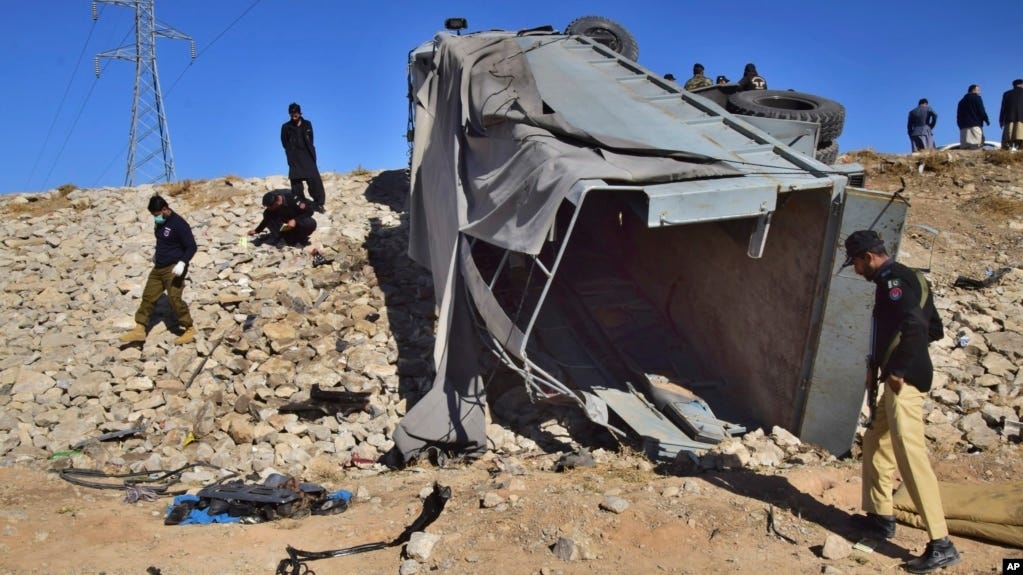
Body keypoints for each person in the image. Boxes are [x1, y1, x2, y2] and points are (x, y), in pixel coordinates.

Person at [842, 230, 959, 574]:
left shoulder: (892, 282)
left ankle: (941, 543)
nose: (856, 270)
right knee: (877, 443)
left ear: (868, 256)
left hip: (903, 381)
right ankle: (881, 517)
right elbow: (934, 328)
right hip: (897, 375)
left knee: (910, 457)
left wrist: (899, 368)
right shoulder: (912, 277)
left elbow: (916, 325)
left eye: (856, 263)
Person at [119, 195, 198, 345]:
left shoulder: (179, 224)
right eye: (153, 215)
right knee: (148, 296)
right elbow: (163, 242)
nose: (156, 218)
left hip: (173, 268)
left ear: (165, 209)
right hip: (159, 267)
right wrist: (156, 256)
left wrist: (182, 262)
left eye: (157, 215)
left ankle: (189, 328)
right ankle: (140, 329)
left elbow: (191, 246)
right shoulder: (160, 223)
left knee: (174, 298)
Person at [281, 102, 326, 213]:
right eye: (291, 113)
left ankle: (319, 204)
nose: (293, 115)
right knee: (296, 183)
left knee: (314, 181)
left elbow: (311, 139)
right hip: (294, 158)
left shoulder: (307, 124)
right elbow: (284, 142)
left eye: (295, 113)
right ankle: (300, 205)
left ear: (300, 113)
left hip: (307, 156)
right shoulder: (286, 127)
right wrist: (291, 151)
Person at [250, 191, 318, 247]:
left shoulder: (293, 197)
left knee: (310, 223)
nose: (268, 208)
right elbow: (266, 220)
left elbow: (309, 211)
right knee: (267, 214)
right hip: (287, 226)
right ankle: (283, 237)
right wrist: (257, 230)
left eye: (269, 206)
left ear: (276, 203)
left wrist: (295, 220)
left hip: (299, 221)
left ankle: (300, 237)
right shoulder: (272, 206)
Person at [956, 85, 989, 149]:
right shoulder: (976, 97)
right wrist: (986, 119)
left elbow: (958, 115)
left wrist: (959, 125)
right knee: (977, 145)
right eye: (978, 90)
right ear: (973, 90)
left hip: (963, 127)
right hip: (975, 124)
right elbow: (981, 110)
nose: (979, 92)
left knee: (965, 147)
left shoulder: (961, 102)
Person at [999, 78, 1023, 151]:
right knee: (1021, 138)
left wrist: (1001, 120)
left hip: (1009, 119)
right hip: (1022, 120)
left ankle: (1006, 152)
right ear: (1021, 84)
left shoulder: (1007, 94)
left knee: (1007, 139)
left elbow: (1003, 108)